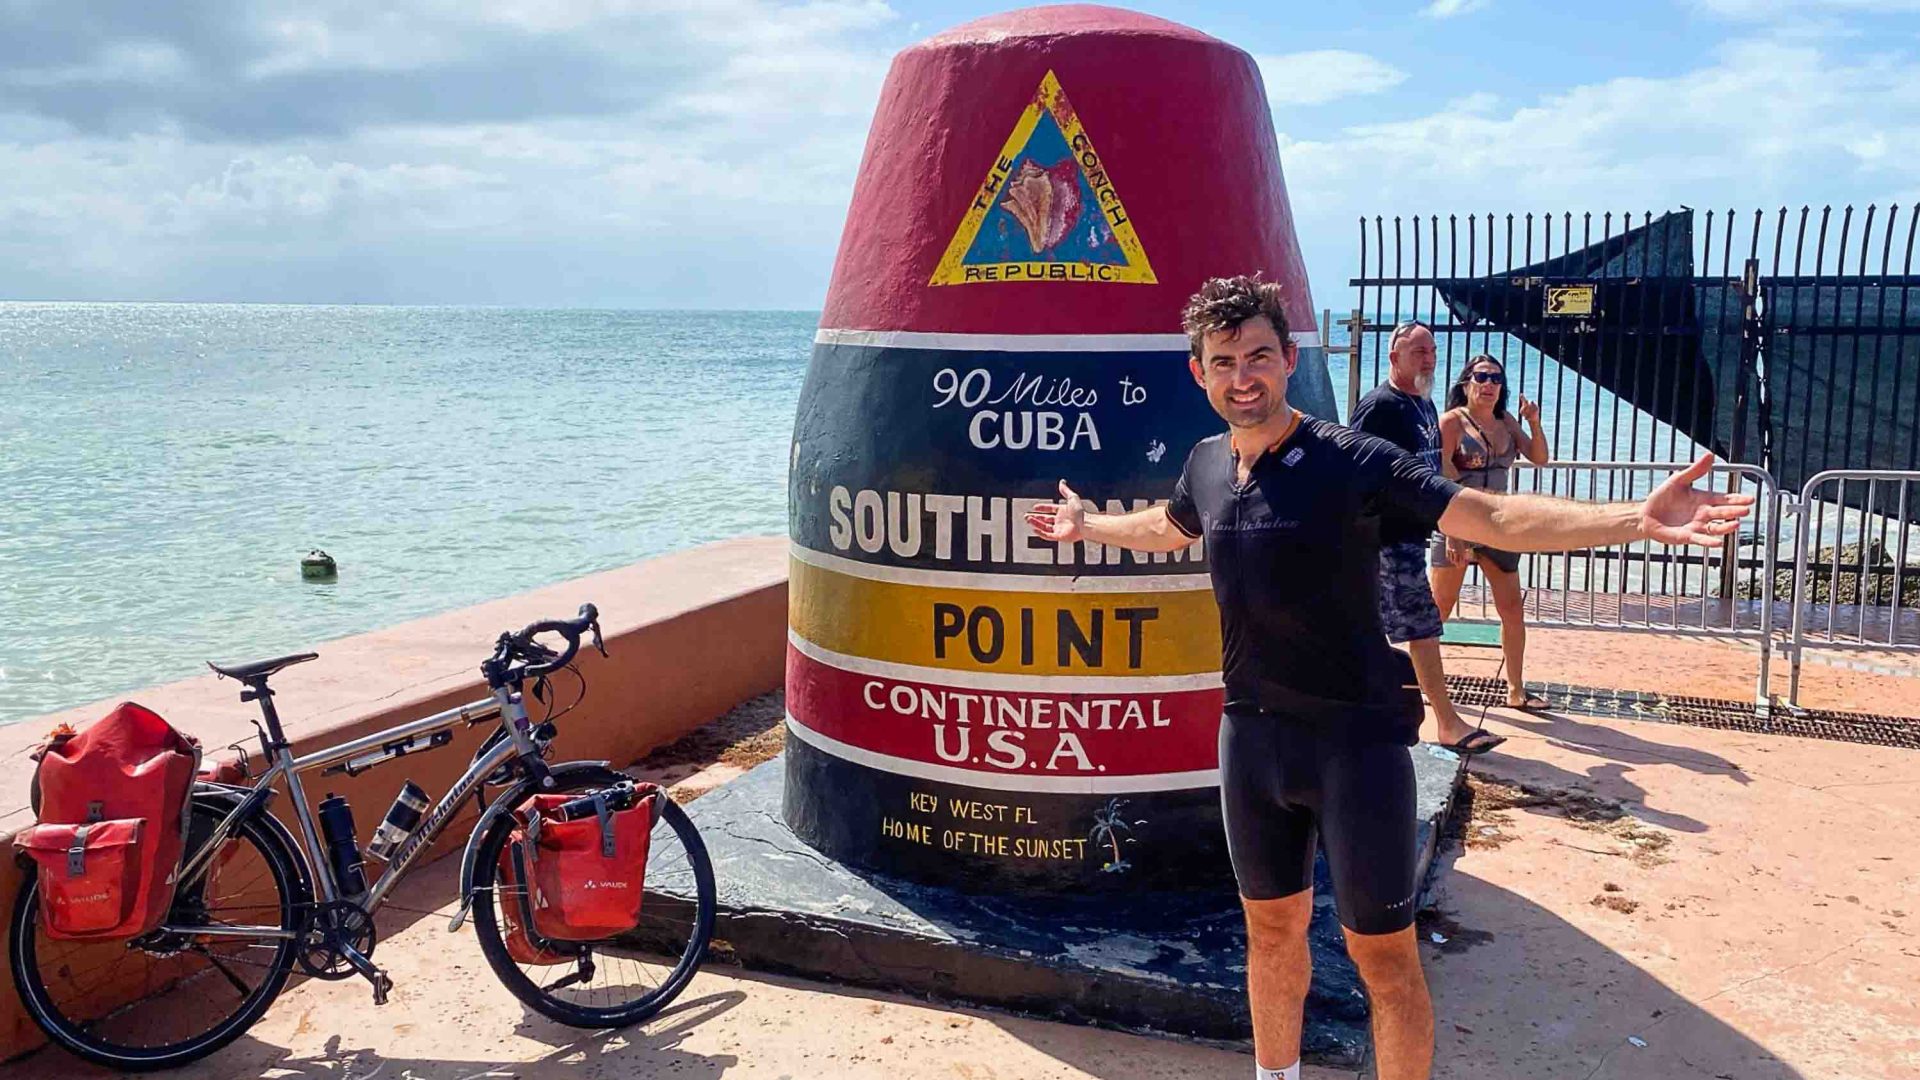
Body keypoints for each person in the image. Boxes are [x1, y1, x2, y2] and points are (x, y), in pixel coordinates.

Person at [1022, 275, 1752, 1080]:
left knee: (1383, 959)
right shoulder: (1204, 465)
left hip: (1356, 749)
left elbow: (1490, 516)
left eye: (1259, 355)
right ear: (1199, 372)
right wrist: (1089, 525)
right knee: (1269, 934)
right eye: (1223, 360)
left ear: (1289, 359)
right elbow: (1171, 526)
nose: (1243, 376)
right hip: (1252, 739)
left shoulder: (1350, 461)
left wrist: (1630, 520)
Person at [1348, 322, 1497, 756]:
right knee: (1420, 627)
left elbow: (1432, 475)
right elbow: (1355, 473)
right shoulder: (1380, 407)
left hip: (1413, 534)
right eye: (1417, 352)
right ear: (1394, 358)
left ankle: (1373, 711)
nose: (1428, 358)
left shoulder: (1424, 405)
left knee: (1391, 629)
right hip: (1385, 540)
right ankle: (1445, 722)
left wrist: (1450, 524)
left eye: (1431, 350)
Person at [1429, 355, 1551, 709]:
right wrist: (1452, 532)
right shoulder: (1452, 422)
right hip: (1459, 524)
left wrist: (1535, 423)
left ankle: (1515, 689)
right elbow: (1441, 476)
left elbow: (1539, 457)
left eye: (1495, 378)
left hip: (1499, 529)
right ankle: (1426, 682)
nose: (1489, 384)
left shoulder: (1507, 422)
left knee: (1512, 609)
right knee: (1440, 609)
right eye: (1481, 377)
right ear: (1466, 383)